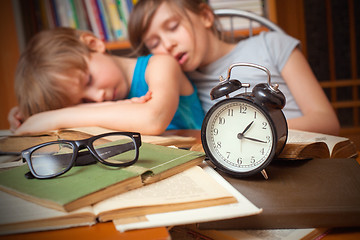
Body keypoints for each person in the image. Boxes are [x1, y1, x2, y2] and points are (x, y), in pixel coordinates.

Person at [127, 0, 340, 135]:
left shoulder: (271, 45)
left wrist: (254, 131)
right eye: (154, 44)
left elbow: (327, 122)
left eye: (173, 27)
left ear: (205, 16)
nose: (167, 44)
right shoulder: (180, 82)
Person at [8, 27, 204, 135]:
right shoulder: (101, 103)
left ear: (94, 44)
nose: (98, 97)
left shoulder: (161, 65)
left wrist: (54, 118)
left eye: (88, 80)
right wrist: (29, 115)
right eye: (84, 102)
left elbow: (153, 119)